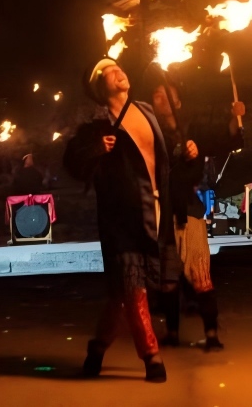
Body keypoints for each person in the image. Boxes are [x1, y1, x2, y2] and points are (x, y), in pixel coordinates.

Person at [64, 58, 176, 383]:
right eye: (108, 72)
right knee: (133, 286)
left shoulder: (146, 110)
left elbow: (167, 156)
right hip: (120, 220)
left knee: (122, 295)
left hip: (155, 211)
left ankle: (97, 348)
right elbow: (73, 162)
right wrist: (96, 149)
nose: (118, 71)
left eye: (117, 66)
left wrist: (189, 150)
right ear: (100, 88)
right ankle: (151, 357)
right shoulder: (97, 127)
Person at [143, 64, 244, 351]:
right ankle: (172, 333)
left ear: (178, 102)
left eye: (166, 95)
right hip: (162, 214)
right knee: (168, 280)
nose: (160, 99)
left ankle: (211, 335)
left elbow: (230, 140)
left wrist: (235, 118)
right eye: (156, 96)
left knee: (199, 275)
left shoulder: (196, 129)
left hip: (188, 211)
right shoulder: (152, 133)